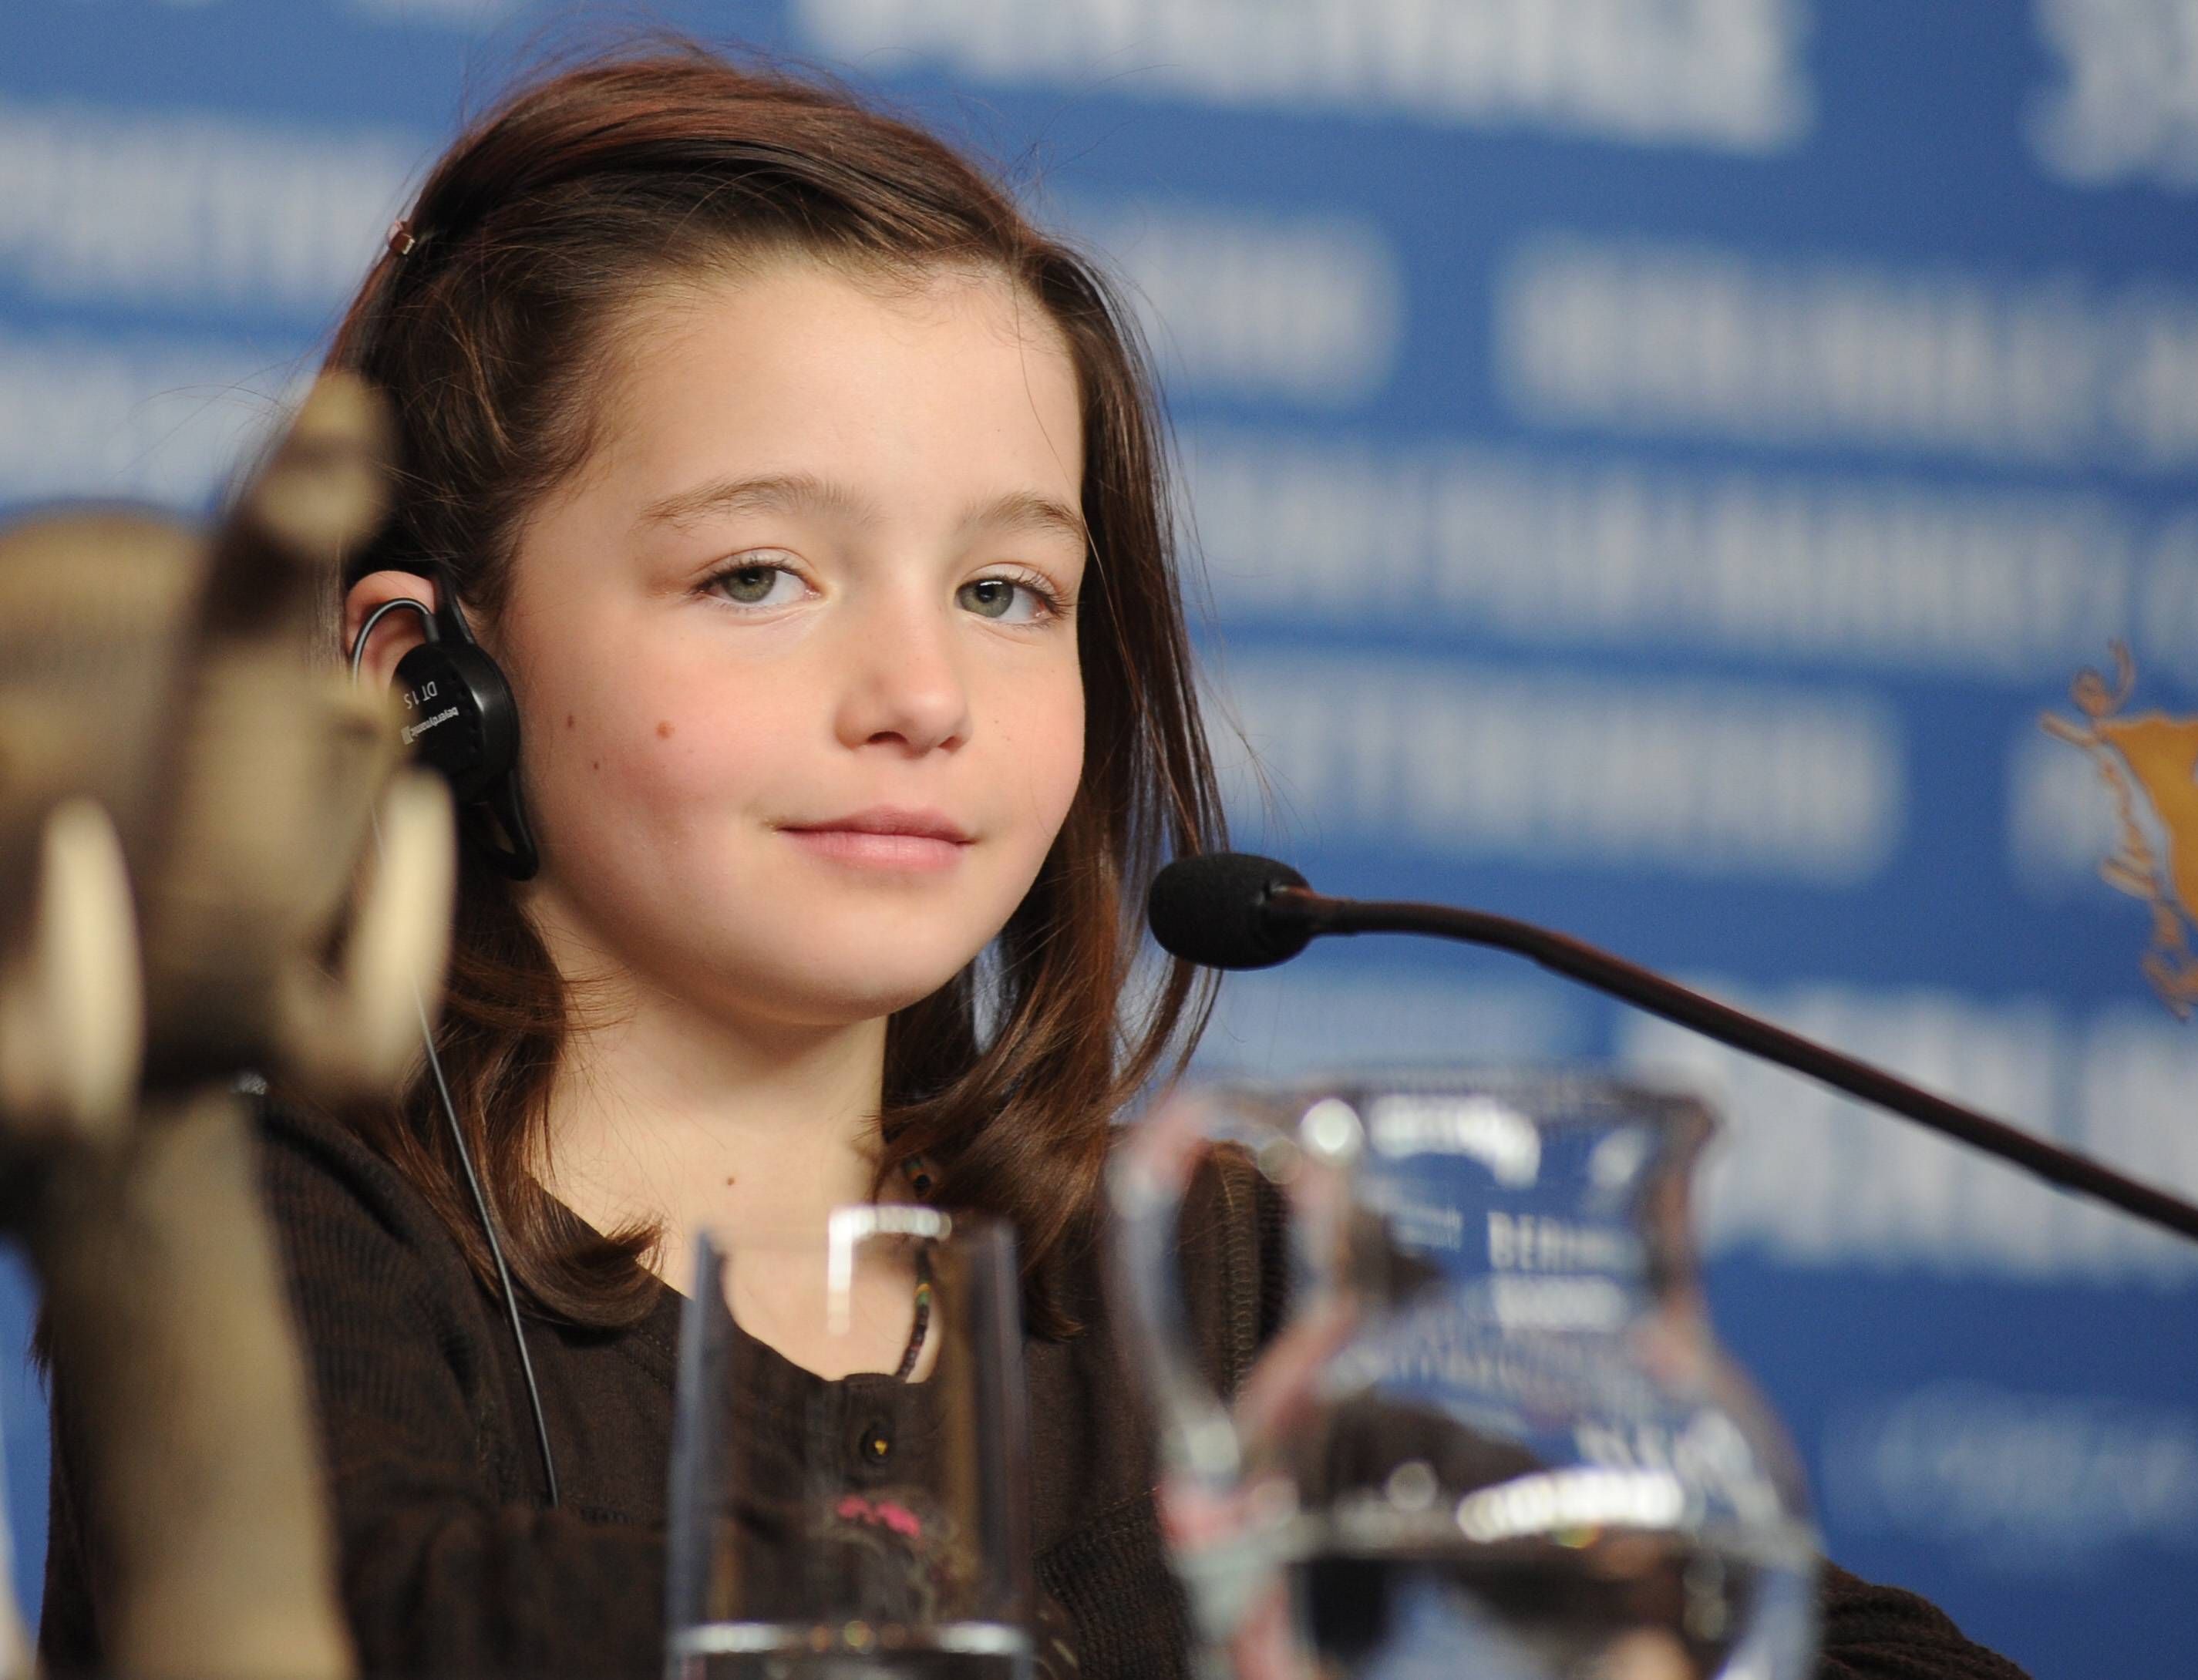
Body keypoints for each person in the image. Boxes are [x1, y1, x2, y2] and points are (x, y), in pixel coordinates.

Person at [39, 45, 2031, 1680]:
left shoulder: (1216, 1283)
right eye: (757, 574)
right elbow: (394, 1622)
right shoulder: (276, 1233)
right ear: (418, 671)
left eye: (1006, 588)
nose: (920, 691)